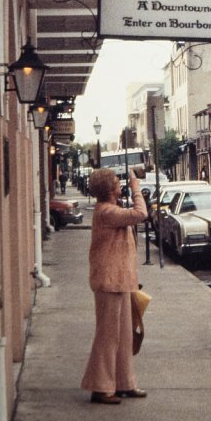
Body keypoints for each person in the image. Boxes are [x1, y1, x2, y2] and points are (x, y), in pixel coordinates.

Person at [80, 167, 149, 405]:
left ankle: (124, 383)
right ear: (110, 190)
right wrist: (136, 187)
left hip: (120, 281)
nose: (121, 186)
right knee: (108, 337)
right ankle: (101, 387)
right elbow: (141, 213)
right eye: (118, 183)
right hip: (109, 282)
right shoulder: (106, 212)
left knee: (124, 337)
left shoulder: (112, 209)